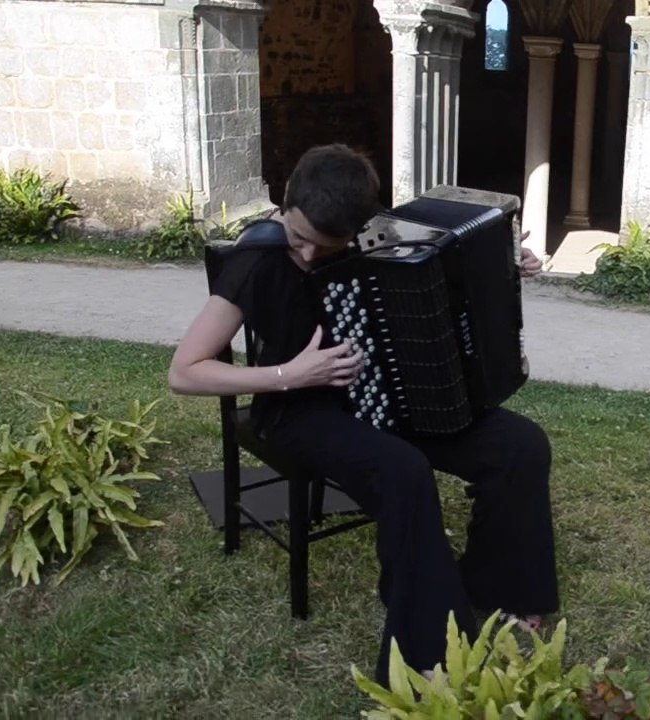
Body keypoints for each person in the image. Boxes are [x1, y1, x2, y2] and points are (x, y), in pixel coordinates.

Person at [168, 143, 560, 686]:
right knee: (402, 471)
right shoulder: (253, 259)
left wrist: (507, 263)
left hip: (390, 399)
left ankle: (496, 589)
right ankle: (428, 660)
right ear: (286, 201)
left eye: (324, 247)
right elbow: (185, 371)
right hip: (298, 412)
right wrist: (289, 375)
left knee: (520, 445)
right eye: (298, 236)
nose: (305, 255)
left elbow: (456, 283)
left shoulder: (384, 239)